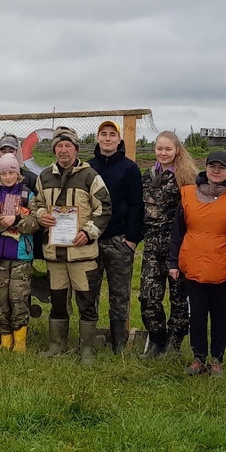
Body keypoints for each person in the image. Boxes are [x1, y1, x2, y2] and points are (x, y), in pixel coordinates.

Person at [31, 127, 112, 365]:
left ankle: (86, 349)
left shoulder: (91, 176)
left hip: (83, 254)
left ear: (76, 149)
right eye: (59, 146)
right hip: (55, 255)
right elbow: (36, 204)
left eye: (68, 146)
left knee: (86, 302)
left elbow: (104, 209)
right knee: (57, 302)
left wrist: (88, 233)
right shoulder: (44, 177)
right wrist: (40, 216)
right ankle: (57, 345)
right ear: (54, 149)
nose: (63, 150)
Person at [169, 150, 226, 376]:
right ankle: (198, 358)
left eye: (221, 167)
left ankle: (217, 360)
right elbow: (177, 232)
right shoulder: (188, 195)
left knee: (220, 315)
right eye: (212, 166)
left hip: (224, 266)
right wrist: (174, 262)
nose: (216, 171)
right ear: (206, 168)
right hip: (193, 264)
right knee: (198, 314)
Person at [86, 120, 145, 354]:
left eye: (112, 134)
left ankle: (118, 343)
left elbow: (136, 205)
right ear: (98, 138)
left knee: (119, 294)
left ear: (119, 140)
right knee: (88, 291)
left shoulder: (129, 168)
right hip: (91, 239)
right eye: (104, 134)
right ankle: (88, 341)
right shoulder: (87, 168)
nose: (108, 138)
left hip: (119, 241)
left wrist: (132, 240)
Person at [141, 131, 197, 356]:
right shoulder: (147, 175)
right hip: (152, 247)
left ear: (177, 151)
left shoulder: (187, 178)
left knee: (179, 297)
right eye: (159, 149)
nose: (163, 153)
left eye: (167, 149)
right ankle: (156, 339)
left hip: (178, 246)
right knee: (148, 295)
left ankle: (174, 343)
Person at [0, 153, 41, 352]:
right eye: (3, 173)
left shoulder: (28, 195)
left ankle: (20, 342)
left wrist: (16, 220)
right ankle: (5, 341)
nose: (7, 176)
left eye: (11, 172)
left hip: (21, 256)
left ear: (17, 172)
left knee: (18, 297)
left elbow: (35, 222)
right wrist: (1, 221)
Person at [0, 133, 39, 204]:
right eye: (3, 151)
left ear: (18, 152)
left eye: (11, 151)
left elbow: (38, 209)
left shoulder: (32, 180)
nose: (8, 154)